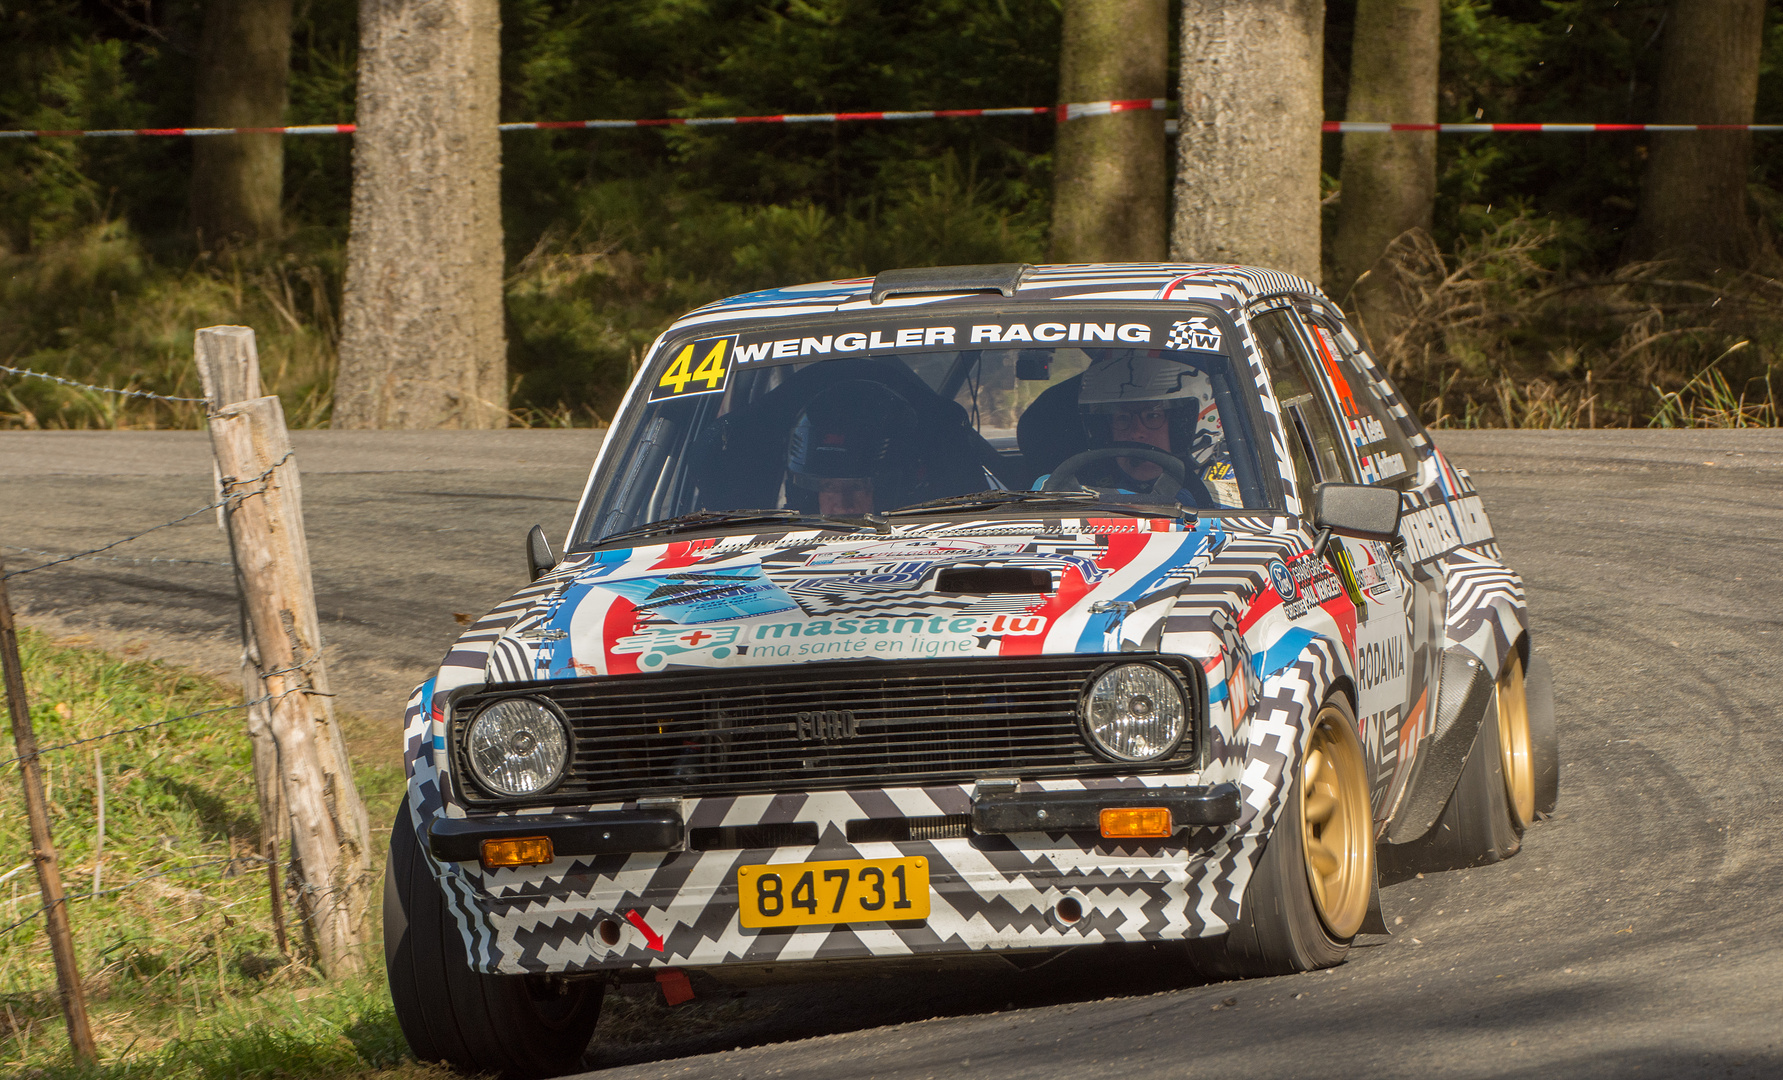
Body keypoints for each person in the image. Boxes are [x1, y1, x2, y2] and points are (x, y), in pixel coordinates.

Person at [1036, 351, 1230, 504]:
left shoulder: (1237, 488)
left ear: (1189, 423)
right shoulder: (1078, 485)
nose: (1136, 432)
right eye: (1122, 418)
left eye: (1153, 416)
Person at [784, 381, 921, 515]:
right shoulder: (782, 534)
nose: (843, 506)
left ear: (887, 492)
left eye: (856, 486)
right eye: (829, 486)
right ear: (813, 495)